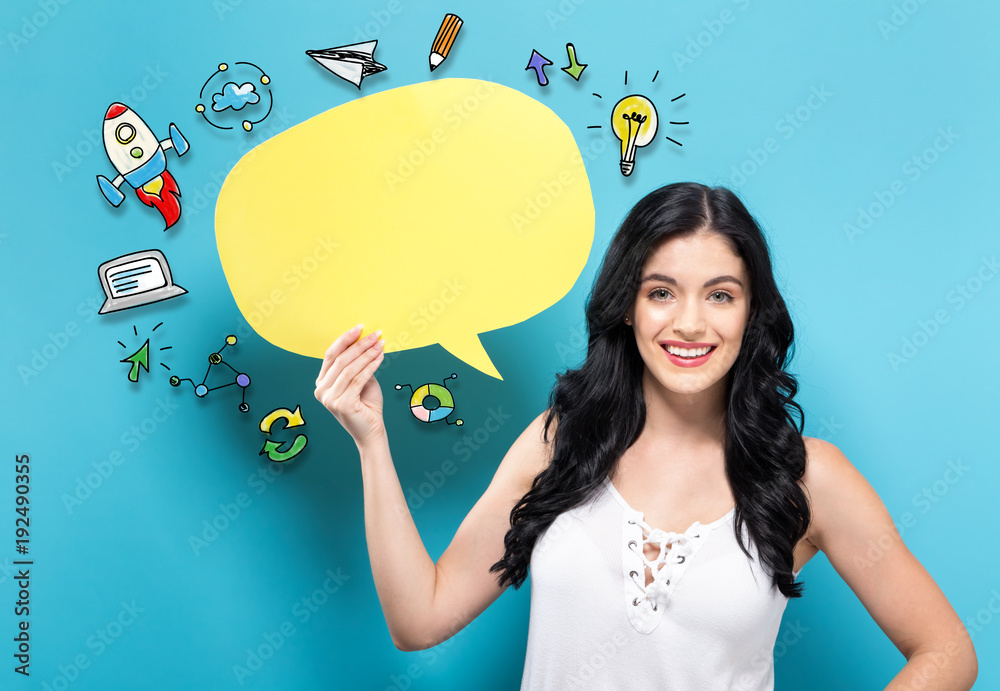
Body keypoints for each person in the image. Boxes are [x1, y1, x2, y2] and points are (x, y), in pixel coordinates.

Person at [313, 182, 977, 690]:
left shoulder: (809, 477)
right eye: (662, 292)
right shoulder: (559, 441)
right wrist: (372, 440)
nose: (690, 323)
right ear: (627, 306)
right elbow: (419, 618)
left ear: (752, 312)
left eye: (720, 295)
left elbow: (948, 651)